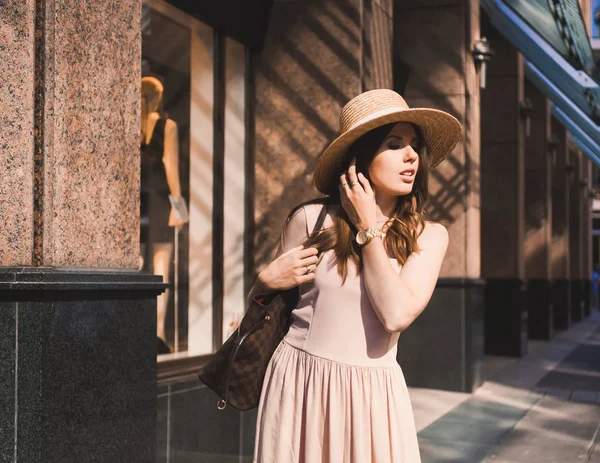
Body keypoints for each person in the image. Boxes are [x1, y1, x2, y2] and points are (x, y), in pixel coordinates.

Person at [250, 89, 462, 462]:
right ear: (360, 158)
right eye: (394, 144)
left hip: (372, 395)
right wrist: (264, 283)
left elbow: (395, 315)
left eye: (414, 145)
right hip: (301, 383)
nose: (411, 155)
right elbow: (267, 309)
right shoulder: (311, 220)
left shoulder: (429, 236)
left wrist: (367, 228)